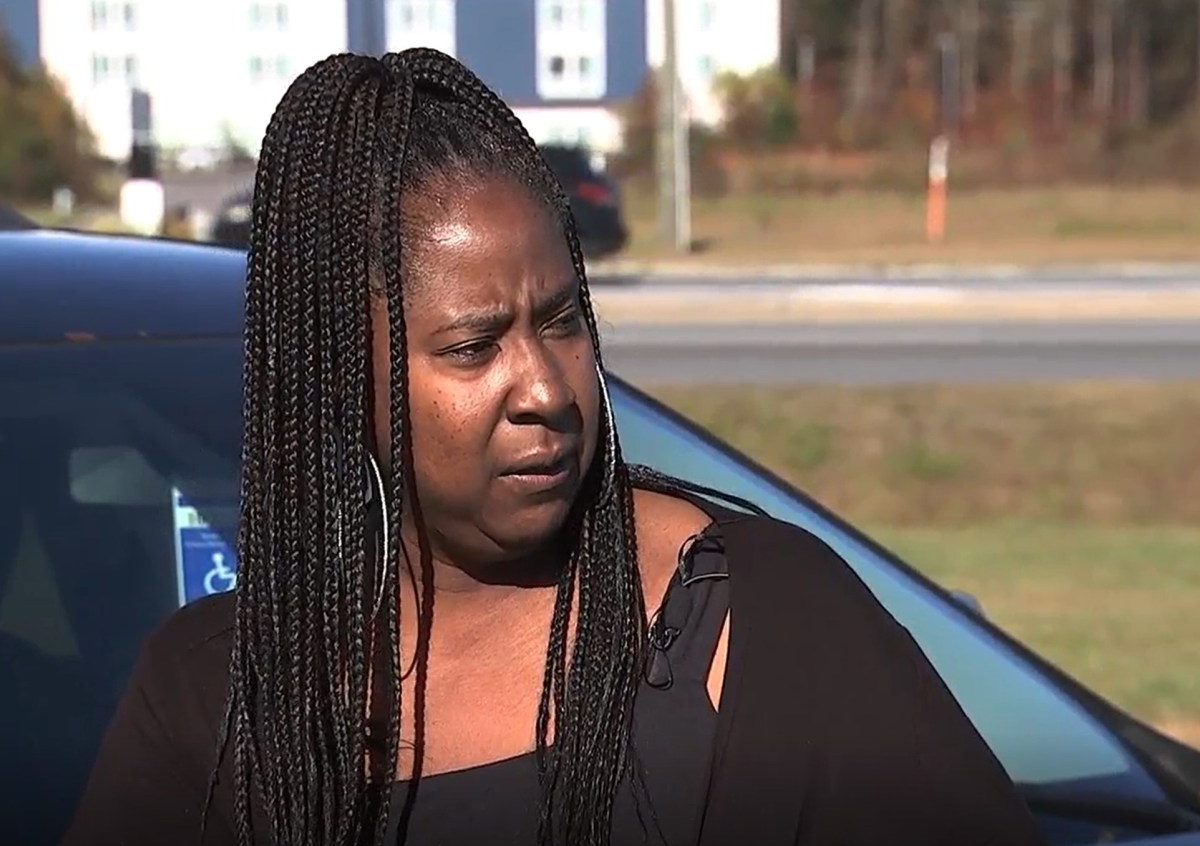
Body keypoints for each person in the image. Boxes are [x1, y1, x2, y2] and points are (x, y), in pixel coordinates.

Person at [63, 49, 1046, 846]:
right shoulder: (214, 696)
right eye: (473, 346)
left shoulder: (760, 625)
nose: (544, 389)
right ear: (340, 381)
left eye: (563, 321)